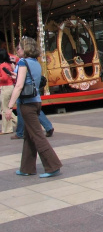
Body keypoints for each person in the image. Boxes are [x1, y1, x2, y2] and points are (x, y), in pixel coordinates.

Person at [5, 37, 62, 178]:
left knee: (37, 136)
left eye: (19, 48)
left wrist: (9, 106)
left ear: (25, 49)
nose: (17, 50)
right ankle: (26, 168)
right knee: (29, 136)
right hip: (36, 101)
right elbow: (29, 79)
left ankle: (52, 165)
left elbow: (19, 86)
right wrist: (17, 75)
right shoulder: (35, 62)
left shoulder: (23, 62)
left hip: (27, 103)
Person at [0, 49, 17, 134]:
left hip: (5, 87)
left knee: (4, 109)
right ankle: (20, 123)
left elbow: (4, 78)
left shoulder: (2, 65)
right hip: (9, 87)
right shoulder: (8, 64)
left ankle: (6, 129)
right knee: (6, 108)